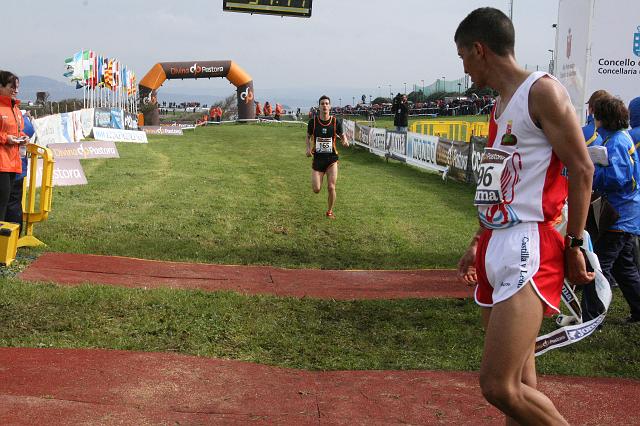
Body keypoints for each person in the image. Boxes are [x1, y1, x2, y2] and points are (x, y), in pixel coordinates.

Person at [454, 8, 595, 425]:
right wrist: (478, 239)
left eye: (462, 57)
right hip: (496, 243)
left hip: (527, 244)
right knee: (521, 383)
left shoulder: (542, 92)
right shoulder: (498, 107)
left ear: (479, 50)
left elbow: (582, 168)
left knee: (499, 385)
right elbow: (495, 184)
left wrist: (575, 243)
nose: (462, 69)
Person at [587, 96, 640, 323]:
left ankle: (591, 317)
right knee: (624, 268)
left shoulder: (617, 141)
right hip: (626, 214)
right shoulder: (620, 138)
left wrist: (593, 171)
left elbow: (618, 179)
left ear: (602, 118)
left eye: (596, 115)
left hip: (618, 216)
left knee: (598, 268)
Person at [306, 95, 349, 219]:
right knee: (316, 189)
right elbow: (308, 136)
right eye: (322, 104)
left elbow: (342, 134)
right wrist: (308, 148)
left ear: (330, 106)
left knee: (331, 187)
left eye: (326, 103)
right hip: (318, 160)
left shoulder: (336, 122)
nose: (324, 105)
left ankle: (329, 211)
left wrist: (345, 141)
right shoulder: (313, 122)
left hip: (332, 159)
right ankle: (318, 181)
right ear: (319, 106)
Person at [0, 71, 29, 224]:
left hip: (13, 162)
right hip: (1, 164)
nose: (15, 90)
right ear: (1, 87)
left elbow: (18, 130)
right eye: (12, 87)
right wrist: (6, 139)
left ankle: (6, 243)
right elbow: (5, 134)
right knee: (2, 203)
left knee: (7, 204)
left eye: (17, 87)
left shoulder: (16, 109)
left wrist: (23, 137)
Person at [5, 110, 33, 229]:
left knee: (12, 204)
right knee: (13, 204)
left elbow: (28, 130)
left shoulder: (15, 112)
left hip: (14, 168)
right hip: (14, 168)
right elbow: (29, 129)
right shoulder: (16, 113)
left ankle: (12, 239)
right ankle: (13, 239)